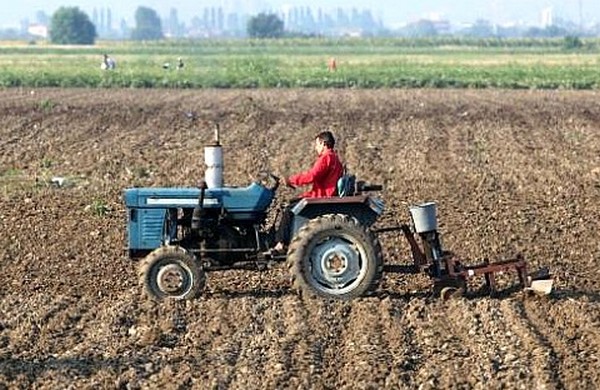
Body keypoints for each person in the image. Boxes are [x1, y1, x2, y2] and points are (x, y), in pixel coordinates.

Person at [273, 130, 344, 253]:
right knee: (292, 203)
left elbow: (311, 176)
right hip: (324, 194)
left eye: (317, 144)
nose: (316, 148)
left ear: (323, 143)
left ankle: (281, 244)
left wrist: (290, 180)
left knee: (289, 209)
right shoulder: (335, 159)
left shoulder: (326, 158)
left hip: (322, 196)